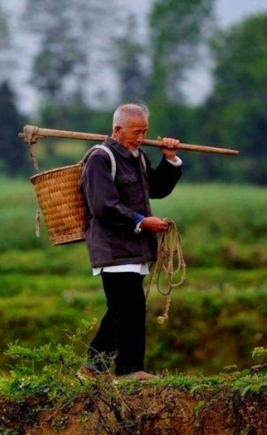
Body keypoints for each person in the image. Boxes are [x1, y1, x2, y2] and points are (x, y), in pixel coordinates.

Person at [78, 102, 183, 380]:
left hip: (135, 248)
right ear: (117, 129)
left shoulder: (139, 157)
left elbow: (157, 190)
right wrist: (141, 220)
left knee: (122, 310)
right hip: (113, 248)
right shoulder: (100, 159)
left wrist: (170, 160)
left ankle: (93, 367)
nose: (141, 138)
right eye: (136, 132)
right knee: (130, 309)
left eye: (145, 132)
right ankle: (130, 370)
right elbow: (103, 206)